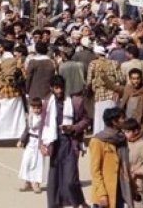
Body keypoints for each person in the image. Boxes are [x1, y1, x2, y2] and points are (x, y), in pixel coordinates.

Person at [42, 75, 89, 208]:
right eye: (56, 88)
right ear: (51, 88)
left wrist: (74, 127)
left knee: (70, 179)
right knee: (54, 181)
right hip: (54, 144)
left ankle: (78, 201)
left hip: (70, 143)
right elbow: (43, 125)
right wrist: (42, 144)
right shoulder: (47, 103)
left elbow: (86, 120)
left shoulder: (74, 102)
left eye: (61, 87)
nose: (59, 91)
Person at [89, 107, 133, 208]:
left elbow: (125, 166)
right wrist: (102, 194)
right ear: (114, 121)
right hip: (105, 193)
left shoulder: (121, 139)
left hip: (120, 188)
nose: (125, 120)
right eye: (122, 118)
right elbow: (95, 171)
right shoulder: (97, 141)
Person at [88, 45, 123, 135]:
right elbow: (121, 79)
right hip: (112, 94)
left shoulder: (93, 63)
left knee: (99, 119)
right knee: (112, 118)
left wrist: (89, 91)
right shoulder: (114, 63)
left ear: (96, 54)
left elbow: (89, 81)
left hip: (99, 94)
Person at [122, 118, 143, 207]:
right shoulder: (125, 143)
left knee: (138, 203)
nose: (125, 134)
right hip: (126, 178)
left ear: (136, 131)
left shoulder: (142, 144)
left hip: (137, 181)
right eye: (124, 131)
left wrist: (137, 172)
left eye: (127, 132)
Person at [17, 97, 45, 194]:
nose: (36, 110)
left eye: (38, 107)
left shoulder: (44, 118)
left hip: (39, 141)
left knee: (38, 162)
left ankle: (36, 183)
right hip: (30, 142)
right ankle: (27, 182)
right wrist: (21, 140)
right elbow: (27, 129)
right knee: (26, 160)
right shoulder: (30, 117)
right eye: (34, 107)